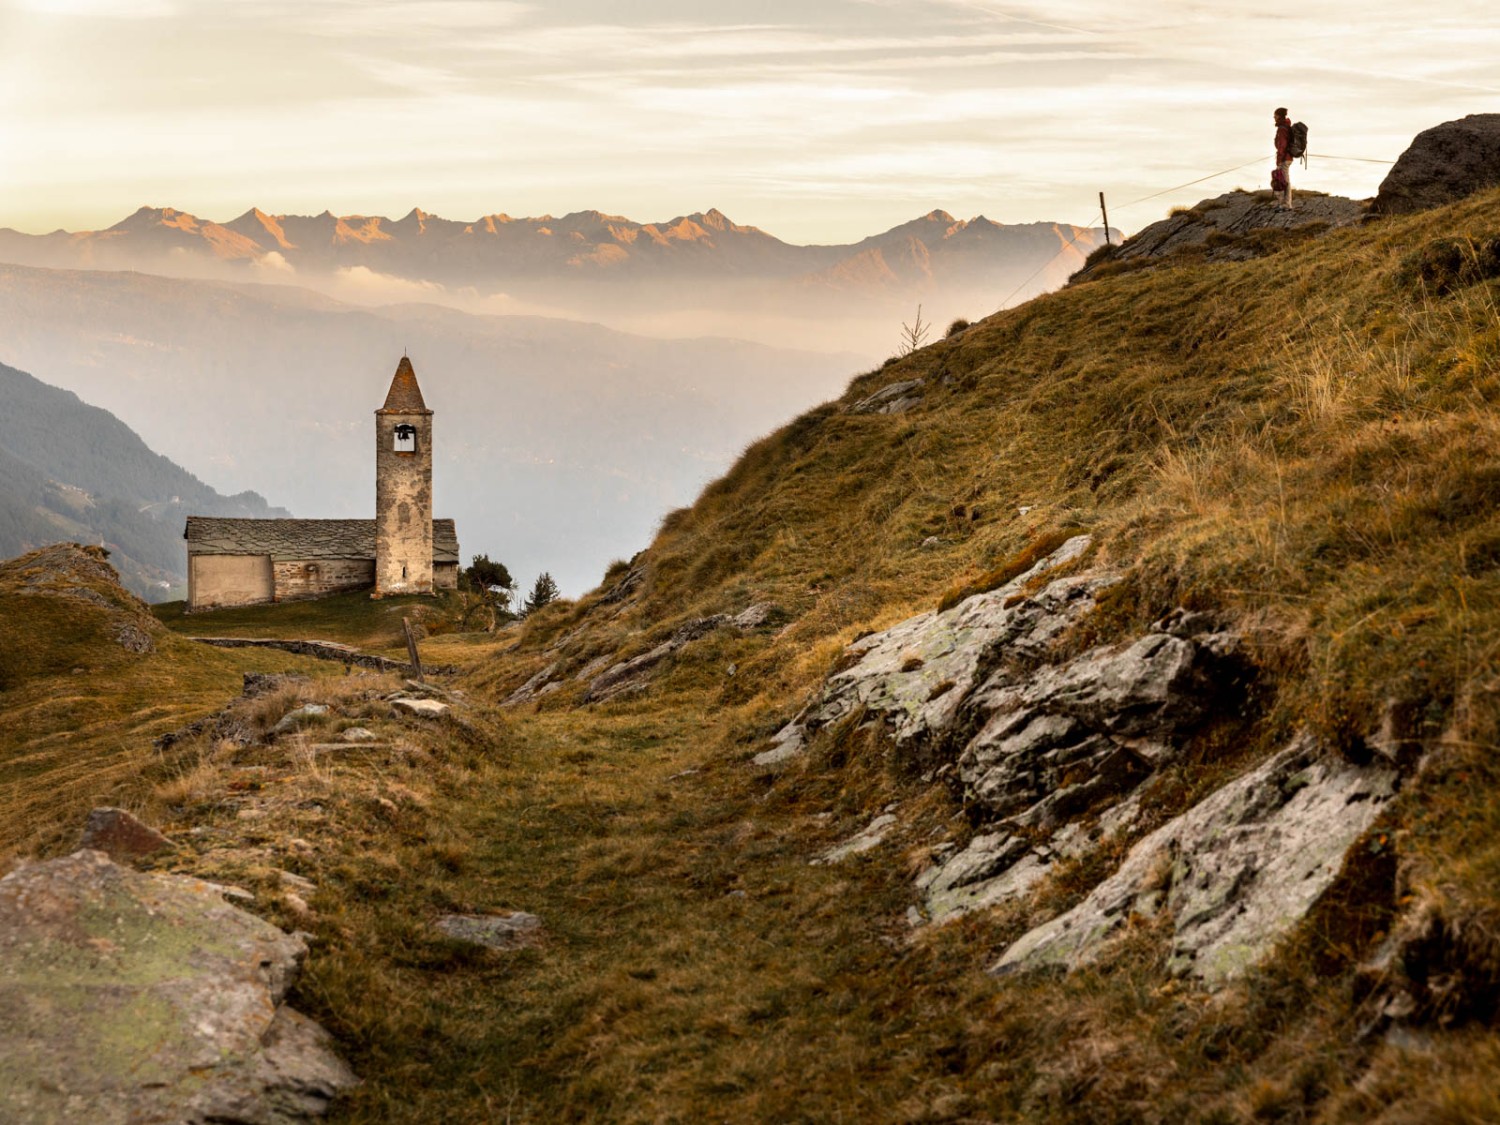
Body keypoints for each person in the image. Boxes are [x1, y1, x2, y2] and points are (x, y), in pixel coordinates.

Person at [1273, 107, 1294, 210]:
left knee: (1284, 181)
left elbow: (1282, 145)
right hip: (1287, 157)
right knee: (1284, 180)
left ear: (1279, 116)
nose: (1274, 117)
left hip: (1284, 158)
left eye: (1275, 115)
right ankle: (1285, 203)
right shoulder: (1286, 126)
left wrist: (1279, 160)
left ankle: (1286, 204)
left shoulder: (1282, 128)